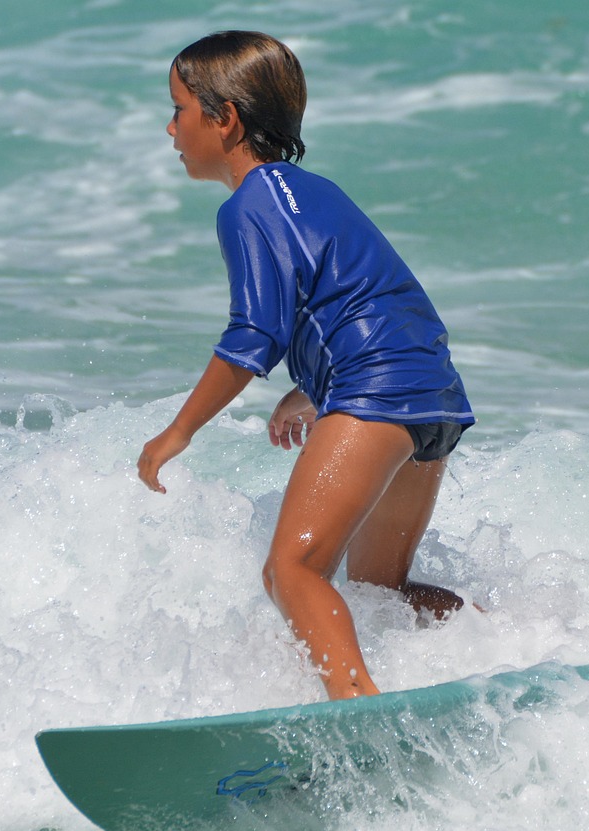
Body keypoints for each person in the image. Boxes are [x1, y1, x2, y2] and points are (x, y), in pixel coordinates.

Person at [138, 31, 475, 701]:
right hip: (431, 392)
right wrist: (311, 388)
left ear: (225, 117)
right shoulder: (315, 193)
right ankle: (509, 647)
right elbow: (368, 300)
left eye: (178, 109)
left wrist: (177, 432)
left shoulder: (248, 207)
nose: (169, 126)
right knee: (382, 592)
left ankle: (358, 714)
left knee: (293, 570)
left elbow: (251, 336)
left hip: (375, 393)